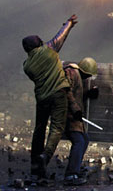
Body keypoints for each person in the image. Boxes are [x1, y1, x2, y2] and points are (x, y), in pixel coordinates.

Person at [22, 14, 78, 178]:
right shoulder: (49, 50)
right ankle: (45, 156)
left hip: (42, 98)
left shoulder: (27, 66)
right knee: (56, 128)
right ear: (39, 44)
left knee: (39, 129)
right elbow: (60, 37)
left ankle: (35, 163)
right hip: (58, 94)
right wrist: (69, 23)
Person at [62, 57, 98, 186]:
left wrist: (88, 94)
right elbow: (67, 92)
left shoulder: (76, 76)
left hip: (72, 115)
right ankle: (71, 175)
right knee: (79, 141)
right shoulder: (71, 72)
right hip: (67, 115)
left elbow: (76, 93)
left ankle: (75, 168)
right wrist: (75, 109)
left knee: (84, 139)